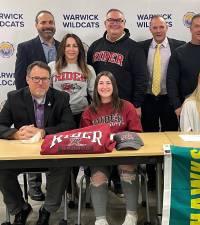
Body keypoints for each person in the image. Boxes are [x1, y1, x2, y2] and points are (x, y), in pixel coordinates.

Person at [0, 61, 76, 225]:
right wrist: (15, 134)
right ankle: (20, 209)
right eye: (36, 78)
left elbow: (69, 126)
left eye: (44, 79)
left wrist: (43, 132)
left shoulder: (61, 97)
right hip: (23, 156)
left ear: (50, 80)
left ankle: (47, 210)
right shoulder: (14, 97)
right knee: (2, 168)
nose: (40, 83)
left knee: (64, 165)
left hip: (50, 154)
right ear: (27, 79)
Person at [87, 8, 147, 195]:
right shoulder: (95, 46)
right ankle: (101, 182)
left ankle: (120, 181)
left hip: (125, 108)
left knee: (122, 145)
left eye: (119, 20)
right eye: (111, 20)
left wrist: (136, 104)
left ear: (124, 23)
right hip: (99, 107)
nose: (115, 23)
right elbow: (89, 76)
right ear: (105, 23)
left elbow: (141, 78)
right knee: (102, 144)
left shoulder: (134, 48)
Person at [80, 71, 142, 225]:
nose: (105, 86)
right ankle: (100, 219)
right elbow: (87, 139)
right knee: (98, 175)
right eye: (101, 83)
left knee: (127, 168)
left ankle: (131, 215)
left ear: (114, 86)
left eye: (108, 83)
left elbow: (136, 133)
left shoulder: (126, 106)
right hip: (100, 155)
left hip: (123, 153)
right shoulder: (89, 111)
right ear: (96, 87)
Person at [14, 10, 59, 201]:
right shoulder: (25, 47)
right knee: (32, 141)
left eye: (50, 22)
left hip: (56, 102)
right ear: (36, 25)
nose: (47, 26)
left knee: (51, 140)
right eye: (43, 23)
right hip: (32, 101)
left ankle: (53, 184)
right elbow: (19, 78)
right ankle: (34, 186)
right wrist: (27, 102)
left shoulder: (62, 46)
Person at [138, 15, 185, 189]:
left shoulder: (179, 46)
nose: (158, 31)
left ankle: (169, 177)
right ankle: (151, 178)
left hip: (169, 99)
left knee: (170, 137)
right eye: (154, 28)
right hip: (148, 98)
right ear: (150, 29)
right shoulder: (141, 47)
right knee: (149, 138)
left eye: (161, 27)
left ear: (167, 28)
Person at [49, 33, 96, 197]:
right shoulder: (52, 67)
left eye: (75, 45)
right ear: (62, 48)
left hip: (80, 116)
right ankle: (66, 187)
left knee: (77, 152)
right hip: (59, 117)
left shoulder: (88, 69)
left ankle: (75, 185)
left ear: (80, 49)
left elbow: (94, 94)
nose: (71, 49)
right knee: (62, 153)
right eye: (68, 45)